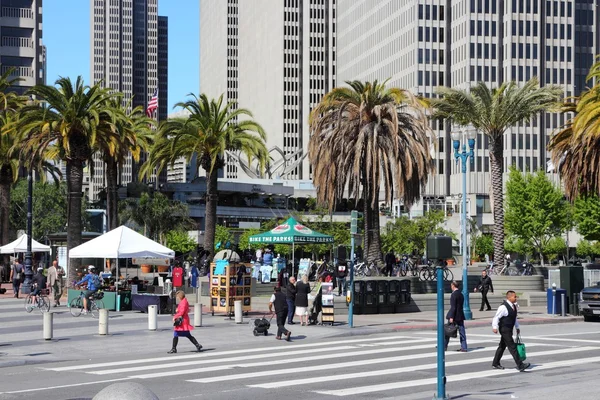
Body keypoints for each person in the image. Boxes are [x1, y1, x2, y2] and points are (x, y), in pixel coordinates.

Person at [491, 290, 531, 371]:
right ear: (509, 297)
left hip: (509, 329)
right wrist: (494, 327)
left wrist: (517, 327)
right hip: (504, 329)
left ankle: (495, 363)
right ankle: (520, 365)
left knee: (502, 346)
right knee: (512, 347)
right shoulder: (503, 307)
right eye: (514, 296)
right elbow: (496, 317)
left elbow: (514, 318)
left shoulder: (514, 306)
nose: (516, 298)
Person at [445, 281, 467, 352]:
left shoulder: (454, 294)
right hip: (460, 315)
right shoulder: (461, 294)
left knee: (447, 331)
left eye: (451, 285)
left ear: (453, 286)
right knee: (462, 332)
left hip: (454, 315)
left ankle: (444, 346)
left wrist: (451, 317)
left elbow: (453, 307)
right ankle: (464, 347)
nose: (451, 287)